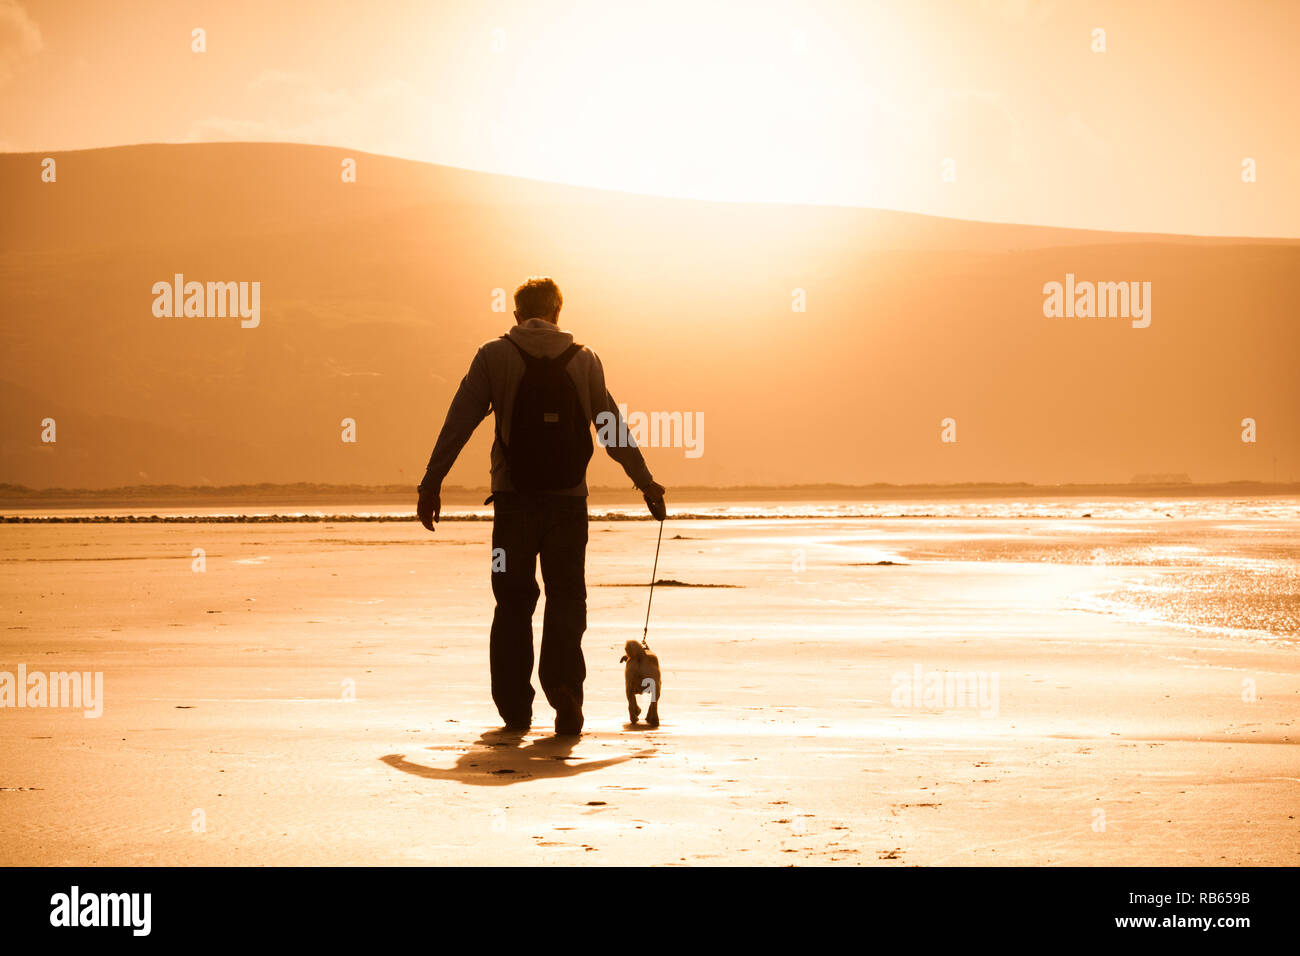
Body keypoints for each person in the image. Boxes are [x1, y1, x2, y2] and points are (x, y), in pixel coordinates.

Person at [417, 277, 667, 736]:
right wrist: (646, 483)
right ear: (557, 312)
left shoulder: (493, 355)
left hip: (512, 505)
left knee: (512, 601)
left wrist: (432, 482)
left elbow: (459, 422)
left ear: (517, 315)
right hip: (569, 505)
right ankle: (565, 692)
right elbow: (611, 429)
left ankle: (515, 709)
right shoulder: (585, 359)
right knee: (567, 599)